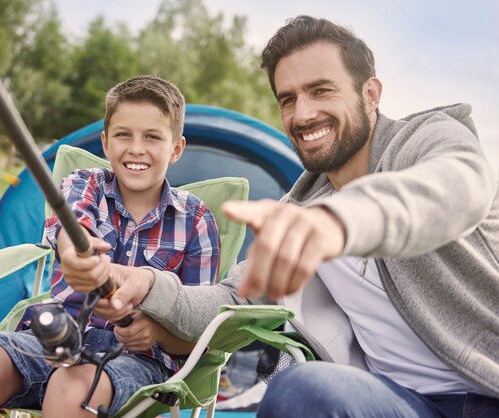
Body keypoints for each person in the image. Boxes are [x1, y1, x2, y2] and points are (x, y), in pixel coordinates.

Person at [84, 16, 499, 417]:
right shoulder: (300, 206)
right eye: (288, 99)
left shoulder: (427, 141)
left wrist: (337, 222)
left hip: (487, 389)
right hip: (397, 403)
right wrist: (147, 283)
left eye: (321, 91)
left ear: (370, 93)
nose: (302, 115)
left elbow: (454, 186)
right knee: (302, 386)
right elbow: (232, 300)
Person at [0, 75, 220, 418]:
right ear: (106, 141)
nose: (136, 148)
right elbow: (72, 233)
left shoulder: (197, 221)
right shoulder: (82, 184)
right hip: (54, 340)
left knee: (72, 389)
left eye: (153, 137)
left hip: (139, 362)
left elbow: (199, 334)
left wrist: (157, 333)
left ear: (176, 148)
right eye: (123, 134)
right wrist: (74, 257)